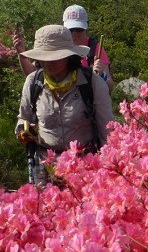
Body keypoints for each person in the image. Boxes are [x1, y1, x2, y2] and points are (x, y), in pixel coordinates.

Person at [17, 25, 114, 186]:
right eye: (44, 57)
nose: (49, 62)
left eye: (55, 57)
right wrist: (22, 130)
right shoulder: (33, 82)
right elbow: (23, 117)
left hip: (83, 166)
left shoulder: (92, 84)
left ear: (69, 56)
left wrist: (110, 170)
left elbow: (107, 131)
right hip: (45, 167)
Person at [13, 4, 114, 93]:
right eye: (71, 29)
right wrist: (21, 54)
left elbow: (110, 86)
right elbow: (33, 74)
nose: (74, 33)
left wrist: (101, 77)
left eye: (79, 29)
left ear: (86, 27)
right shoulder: (56, 44)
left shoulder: (95, 48)